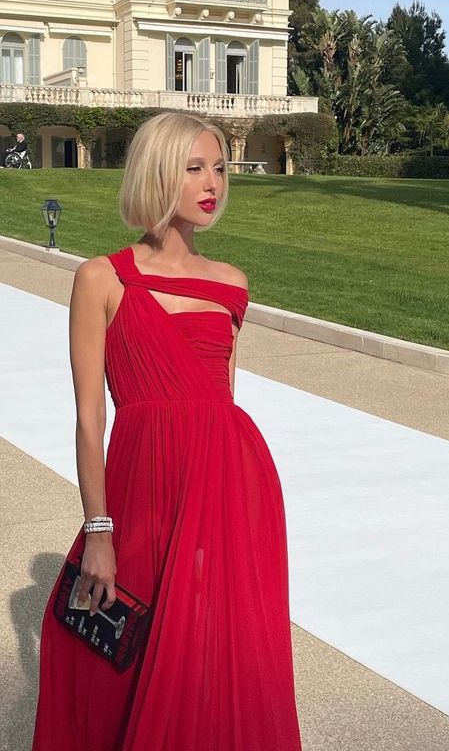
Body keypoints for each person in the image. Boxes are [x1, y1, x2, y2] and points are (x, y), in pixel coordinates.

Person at [32, 112, 303, 750]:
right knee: (120, 645)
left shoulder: (232, 284)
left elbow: (225, 398)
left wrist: (230, 497)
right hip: (142, 480)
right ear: (158, 173)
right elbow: (89, 415)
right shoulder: (101, 277)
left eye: (219, 168)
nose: (212, 183)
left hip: (230, 479)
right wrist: (99, 528)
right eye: (194, 168)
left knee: (214, 643)